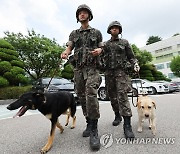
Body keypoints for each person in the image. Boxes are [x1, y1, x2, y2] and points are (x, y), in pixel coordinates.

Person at [61, 4, 103, 150]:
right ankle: (89, 122)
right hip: (78, 69)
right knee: (81, 96)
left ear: (89, 16)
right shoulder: (74, 33)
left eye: (85, 12)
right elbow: (69, 46)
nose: (82, 14)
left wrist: (99, 50)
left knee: (91, 94)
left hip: (92, 68)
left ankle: (94, 130)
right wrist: (66, 52)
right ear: (78, 16)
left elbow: (101, 47)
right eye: (80, 13)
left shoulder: (96, 32)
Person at [102, 21, 140, 139]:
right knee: (112, 96)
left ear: (119, 30)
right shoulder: (105, 44)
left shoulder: (124, 42)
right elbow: (100, 56)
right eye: (112, 28)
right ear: (109, 30)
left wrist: (135, 64)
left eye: (117, 28)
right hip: (108, 73)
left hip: (121, 73)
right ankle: (117, 115)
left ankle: (127, 125)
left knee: (122, 96)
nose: (114, 29)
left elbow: (131, 57)